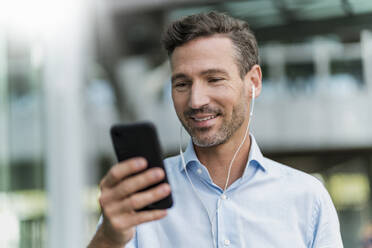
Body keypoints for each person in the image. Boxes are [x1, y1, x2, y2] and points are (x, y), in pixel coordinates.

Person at [88, 11, 343, 248]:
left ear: (253, 82)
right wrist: (108, 238)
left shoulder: (308, 199)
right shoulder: (141, 198)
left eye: (214, 79)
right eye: (182, 83)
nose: (196, 100)